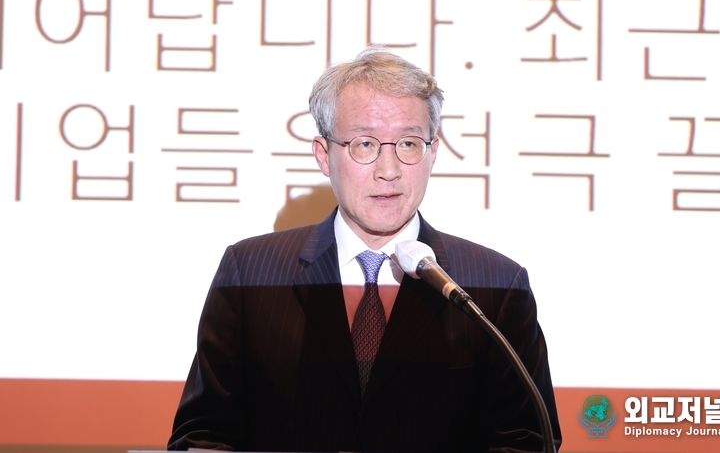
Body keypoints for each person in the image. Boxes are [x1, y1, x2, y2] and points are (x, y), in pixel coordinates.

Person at [168, 48, 562, 452]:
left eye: (409, 144)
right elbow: (204, 436)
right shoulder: (250, 272)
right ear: (324, 155)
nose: (388, 170)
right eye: (365, 144)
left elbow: (524, 440)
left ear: (434, 152)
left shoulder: (494, 285)